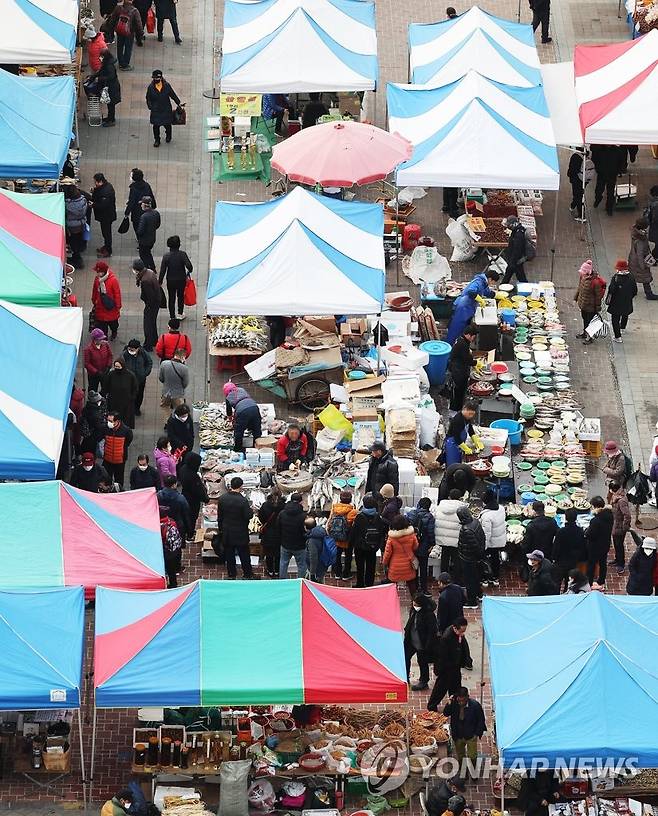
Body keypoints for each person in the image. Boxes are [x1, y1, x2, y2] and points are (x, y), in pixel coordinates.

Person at [446, 269, 499, 344]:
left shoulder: (483, 282)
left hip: (468, 308)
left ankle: (457, 344)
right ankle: (448, 347)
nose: (492, 284)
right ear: (490, 279)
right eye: (493, 282)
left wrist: (496, 295)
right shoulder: (478, 282)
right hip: (463, 307)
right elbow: (471, 292)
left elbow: (486, 291)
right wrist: (480, 299)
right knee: (455, 329)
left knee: (462, 329)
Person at [427, 616, 468, 711]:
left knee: (455, 688)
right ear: (455, 628)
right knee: (440, 689)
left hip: (455, 666)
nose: (462, 633)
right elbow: (442, 657)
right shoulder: (446, 638)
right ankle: (432, 706)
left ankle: (454, 705)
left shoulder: (458, 635)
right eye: (461, 631)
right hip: (447, 668)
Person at [444, 687, 486, 771]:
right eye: (459, 701)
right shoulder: (453, 703)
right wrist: (448, 703)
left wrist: (476, 734)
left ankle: (474, 771)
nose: (461, 703)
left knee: (472, 755)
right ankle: (463, 771)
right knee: (460, 755)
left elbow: (481, 721)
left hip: (470, 735)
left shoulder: (475, 706)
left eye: (463, 701)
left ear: (467, 697)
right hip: (458, 735)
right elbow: (446, 713)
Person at [349, 495, 387, 587]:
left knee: (360, 566)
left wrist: (351, 544)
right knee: (371, 566)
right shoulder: (378, 517)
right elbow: (381, 532)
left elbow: (354, 532)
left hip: (360, 546)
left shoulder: (359, 517)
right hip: (373, 546)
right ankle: (369, 584)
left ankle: (360, 583)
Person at [404, 593, 438, 691]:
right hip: (411, 640)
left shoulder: (429, 615)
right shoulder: (413, 610)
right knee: (406, 658)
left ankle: (424, 680)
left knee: (422, 662)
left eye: (417, 605)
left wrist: (427, 645)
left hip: (422, 643)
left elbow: (432, 632)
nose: (415, 606)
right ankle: (405, 677)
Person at [383, 514, 419, 596]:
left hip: (395, 566)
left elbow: (387, 553)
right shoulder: (411, 535)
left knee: (392, 587)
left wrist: (384, 562)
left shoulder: (391, 538)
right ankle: (415, 604)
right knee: (412, 585)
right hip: (409, 564)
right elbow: (415, 546)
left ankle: (392, 603)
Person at [456, 507, 485, 608]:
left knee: (469, 580)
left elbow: (474, 546)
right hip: (475, 557)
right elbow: (482, 538)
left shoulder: (466, 529)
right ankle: (479, 593)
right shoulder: (476, 522)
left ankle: (471, 601)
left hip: (468, 558)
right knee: (475, 577)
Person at [406, 497, 436, 594]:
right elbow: (431, 532)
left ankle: (414, 588)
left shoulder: (411, 514)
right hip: (424, 546)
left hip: (412, 545)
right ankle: (424, 588)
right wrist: (432, 544)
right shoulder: (429, 517)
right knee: (423, 568)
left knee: (414, 566)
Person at [159, 236, 193, 320]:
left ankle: (172, 316)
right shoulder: (182, 254)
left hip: (170, 280)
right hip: (181, 279)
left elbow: (163, 270)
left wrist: (160, 281)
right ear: (179, 245)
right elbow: (189, 266)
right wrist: (188, 271)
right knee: (180, 296)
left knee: (171, 297)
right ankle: (180, 313)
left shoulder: (166, 256)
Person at [553, 508, 587, 591]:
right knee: (570, 581)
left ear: (566, 518)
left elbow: (556, 547)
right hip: (573, 561)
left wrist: (554, 558)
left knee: (557, 582)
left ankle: (557, 595)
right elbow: (582, 546)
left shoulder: (561, 532)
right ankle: (566, 593)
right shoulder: (580, 531)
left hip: (561, 561)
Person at [327, 490, 358, 580]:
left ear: (340, 499)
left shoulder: (334, 508)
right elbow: (354, 525)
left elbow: (329, 522)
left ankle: (337, 573)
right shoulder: (353, 511)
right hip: (348, 539)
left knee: (337, 555)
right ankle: (346, 574)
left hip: (336, 538)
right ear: (350, 500)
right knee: (348, 556)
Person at [435, 490, 468, 576]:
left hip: (443, 538)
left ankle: (443, 577)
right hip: (456, 539)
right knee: (456, 558)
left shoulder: (440, 507)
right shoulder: (463, 508)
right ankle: (456, 578)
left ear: (449, 496)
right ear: (460, 498)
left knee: (444, 557)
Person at [146, 69, 181, 147]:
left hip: (166, 108)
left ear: (161, 78)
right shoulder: (150, 87)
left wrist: (178, 102)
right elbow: (148, 98)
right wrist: (150, 106)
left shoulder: (166, 85)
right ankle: (157, 140)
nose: (156, 80)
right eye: (154, 78)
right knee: (156, 126)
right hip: (156, 110)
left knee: (167, 124)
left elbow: (172, 94)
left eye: (157, 78)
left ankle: (168, 136)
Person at [105, 0, 143, 70]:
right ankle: (125, 65)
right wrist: (140, 33)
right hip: (130, 32)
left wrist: (111, 29)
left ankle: (120, 62)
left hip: (119, 31)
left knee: (120, 46)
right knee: (128, 48)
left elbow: (112, 20)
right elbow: (139, 23)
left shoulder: (118, 8)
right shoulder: (134, 11)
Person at [574, 259, 606, 343]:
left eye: (583, 271)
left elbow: (598, 296)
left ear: (588, 272)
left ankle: (589, 337)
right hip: (583, 304)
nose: (581, 273)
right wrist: (576, 298)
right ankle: (585, 333)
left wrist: (597, 308)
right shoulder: (582, 277)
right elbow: (579, 288)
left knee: (590, 321)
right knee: (584, 318)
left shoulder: (595, 282)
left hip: (591, 306)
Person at [606, 259, 638, 343]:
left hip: (616, 303)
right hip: (627, 301)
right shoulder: (631, 277)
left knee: (615, 320)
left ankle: (618, 336)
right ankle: (623, 328)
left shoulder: (616, 278)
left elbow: (611, 290)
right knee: (625, 314)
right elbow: (635, 290)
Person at [224, 382, 262, 452]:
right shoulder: (241, 389)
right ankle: (257, 447)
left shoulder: (228, 397)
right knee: (256, 429)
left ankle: (238, 449)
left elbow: (229, 411)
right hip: (254, 407)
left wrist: (231, 419)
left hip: (242, 411)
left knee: (239, 431)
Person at [585, 496, 614, 587]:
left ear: (595, 507)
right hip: (605, 544)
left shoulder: (595, 521)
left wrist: (586, 531)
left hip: (595, 547)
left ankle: (589, 582)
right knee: (603, 563)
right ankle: (601, 580)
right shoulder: (610, 515)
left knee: (591, 565)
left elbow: (590, 535)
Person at [179, 452, 209, 541]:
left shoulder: (183, 468)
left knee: (186, 515)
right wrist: (206, 499)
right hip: (192, 499)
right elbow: (198, 491)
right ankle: (190, 534)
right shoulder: (192, 476)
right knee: (192, 517)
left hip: (185, 495)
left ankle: (187, 531)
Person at [133, 260, 161, 352]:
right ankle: (154, 340)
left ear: (137, 270)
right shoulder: (149, 272)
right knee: (152, 322)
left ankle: (148, 344)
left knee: (148, 324)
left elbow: (150, 296)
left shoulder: (145, 281)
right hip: (156, 301)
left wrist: (148, 306)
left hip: (151, 304)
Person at [447, 325, 477, 413]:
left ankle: (457, 408)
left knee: (459, 391)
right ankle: (455, 411)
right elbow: (467, 360)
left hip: (457, 368)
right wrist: (476, 363)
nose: (473, 339)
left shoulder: (461, 339)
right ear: (468, 335)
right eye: (473, 337)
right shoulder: (462, 344)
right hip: (458, 371)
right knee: (458, 392)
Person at [278, 493, 308, 578]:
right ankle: (300, 582)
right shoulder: (303, 516)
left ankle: (283, 580)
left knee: (283, 563)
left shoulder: (282, 513)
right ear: (301, 502)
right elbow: (305, 531)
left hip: (285, 543)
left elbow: (278, 527)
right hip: (300, 545)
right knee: (302, 565)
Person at [480, 490, 506, 586]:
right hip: (499, 540)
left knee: (486, 560)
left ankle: (486, 578)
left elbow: (487, 534)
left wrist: (484, 547)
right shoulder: (502, 509)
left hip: (491, 542)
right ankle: (495, 578)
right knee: (495, 559)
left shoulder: (486, 516)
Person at [628, 216, 658, 300]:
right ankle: (649, 294)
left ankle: (633, 290)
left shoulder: (636, 232)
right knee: (645, 276)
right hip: (639, 261)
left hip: (632, 258)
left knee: (633, 275)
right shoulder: (640, 240)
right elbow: (640, 254)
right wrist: (643, 266)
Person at [122, 339, 153, 418]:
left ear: (138, 348)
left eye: (132, 350)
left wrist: (145, 373)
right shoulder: (125, 354)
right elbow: (120, 363)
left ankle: (137, 408)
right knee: (129, 395)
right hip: (128, 380)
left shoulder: (143, 354)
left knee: (139, 395)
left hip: (140, 379)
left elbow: (149, 362)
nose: (131, 351)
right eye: (129, 349)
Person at [91, 261, 122, 340]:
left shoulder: (113, 280)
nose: (97, 274)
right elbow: (94, 290)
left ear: (104, 272)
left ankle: (114, 332)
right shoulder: (97, 279)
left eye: (99, 272)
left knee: (113, 324)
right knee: (102, 326)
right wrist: (94, 300)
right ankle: (105, 339)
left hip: (111, 307)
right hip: (100, 307)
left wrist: (118, 305)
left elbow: (117, 293)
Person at [444, 401, 481, 467]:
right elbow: (456, 437)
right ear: (465, 409)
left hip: (459, 445)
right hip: (452, 444)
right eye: (470, 414)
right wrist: (466, 448)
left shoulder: (467, 418)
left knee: (458, 463)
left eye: (473, 414)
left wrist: (476, 441)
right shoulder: (458, 420)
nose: (471, 416)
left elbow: (470, 429)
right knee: (452, 465)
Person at [104, 357, 138, 428]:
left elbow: (135, 388)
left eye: (118, 367)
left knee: (125, 419)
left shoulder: (130, 375)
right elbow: (106, 386)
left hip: (126, 402)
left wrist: (132, 397)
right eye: (115, 366)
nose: (117, 368)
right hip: (114, 402)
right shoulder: (111, 374)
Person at [102, 411, 133, 487]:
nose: (108, 423)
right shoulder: (105, 428)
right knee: (106, 479)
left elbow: (128, 441)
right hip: (107, 459)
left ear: (117, 421)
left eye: (110, 421)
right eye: (108, 420)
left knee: (119, 480)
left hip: (120, 460)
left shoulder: (126, 430)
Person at [258, 492, 285, 577]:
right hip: (280, 533)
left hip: (268, 532)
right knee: (278, 553)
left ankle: (270, 570)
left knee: (269, 553)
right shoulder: (284, 506)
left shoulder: (265, 505)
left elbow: (261, 517)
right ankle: (277, 570)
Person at [91, 173, 117, 258]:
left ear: (100, 181)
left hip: (106, 216)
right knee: (105, 232)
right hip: (104, 215)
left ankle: (108, 250)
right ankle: (106, 246)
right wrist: (94, 191)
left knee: (107, 233)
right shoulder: (105, 187)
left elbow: (103, 205)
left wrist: (93, 204)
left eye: (95, 182)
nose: (95, 183)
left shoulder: (106, 191)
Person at [125, 168, 157, 237]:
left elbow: (132, 202)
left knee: (137, 226)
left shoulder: (133, 188)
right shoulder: (146, 185)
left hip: (136, 212)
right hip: (146, 210)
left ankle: (140, 240)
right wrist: (154, 205)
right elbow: (151, 196)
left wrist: (127, 213)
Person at [157, 474, 191, 539]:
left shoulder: (158, 496)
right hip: (177, 526)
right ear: (174, 485)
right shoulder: (180, 498)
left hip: (162, 526)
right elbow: (186, 514)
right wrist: (189, 530)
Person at [592, 144, 622, 216]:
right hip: (602, 174)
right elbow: (594, 160)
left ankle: (609, 208)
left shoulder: (617, 151)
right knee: (598, 190)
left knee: (610, 193)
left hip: (612, 174)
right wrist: (598, 169)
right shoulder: (599, 150)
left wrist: (618, 171)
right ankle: (598, 199)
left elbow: (620, 162)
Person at [64, 185, 89, 268]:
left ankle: (77, 261)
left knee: (73, 243)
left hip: (72, 227)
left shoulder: (68, 205)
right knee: (77, 241)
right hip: (81, 224)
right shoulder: (83, 200)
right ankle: (76, 257)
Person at [609, 479, 631, 574]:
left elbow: (627, 515)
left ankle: (621, 564)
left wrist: (624, 527)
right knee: (616, 545)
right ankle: (617, 559)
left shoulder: (621, 501)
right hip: (615, 524)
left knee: (619, 545)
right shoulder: (616, 496)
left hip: (619, 527)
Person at [95, 49, 122, 126]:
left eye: (102, 56)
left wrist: (100, 78)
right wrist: (94, 76)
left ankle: (111, 120)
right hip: (111, 86)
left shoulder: (109, 66)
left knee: (111, 104)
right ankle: (110, 118)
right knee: (109, 103)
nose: (100, 58)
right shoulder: (107, 63)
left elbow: (111, 76)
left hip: (112, 87)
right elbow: (101, 71)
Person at [159, 504, 183, 587]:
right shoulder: (171, 522)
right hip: (174, 551)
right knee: (171, 571)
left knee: (165, 569)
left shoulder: (159, 526)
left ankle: (164, 584)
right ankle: (173, 584)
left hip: (166, 552)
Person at [567, 147, 593, 220]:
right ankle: (572, 206)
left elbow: (572, 169)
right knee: (579, 193)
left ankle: (581, 215)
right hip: (584, 179)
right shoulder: (586, 155)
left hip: (577, 179)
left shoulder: (576, 157)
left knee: (578, 195)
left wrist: (569, 174)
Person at [84, 328, 113, 393]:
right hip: (93, 375)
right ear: (95, 339)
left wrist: (108, 366)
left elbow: (110, 355)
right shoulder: (88, 349)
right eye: (100, 339)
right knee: (93, 389)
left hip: (105, 372)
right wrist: (96, 372)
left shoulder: (106, 345)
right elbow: (87, 363)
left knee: (105, 388)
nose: (102, 340)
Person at [136, 196, 161, 271]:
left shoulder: (144, 217)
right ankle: (153, 268)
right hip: (152, 239)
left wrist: (139, 234)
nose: (141, 205)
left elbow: (140, 231)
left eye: (142, 204)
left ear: (145, 205)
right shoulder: (156, 213)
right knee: (148, 254)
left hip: (144, 241)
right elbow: (158, 224)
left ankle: (147, 270)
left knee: (144, 256)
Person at [502, 215, 528, 285]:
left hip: (516, 260)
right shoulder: (517, 230)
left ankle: (502, 287)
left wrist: (513, 261)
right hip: (515, 259)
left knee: (518, 275)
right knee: (515, 274)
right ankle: (503, 286)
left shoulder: (519, 234)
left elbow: (517, 250)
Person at [80, 390, 107, 455]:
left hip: (89, 435)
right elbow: (99, 425)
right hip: (93, 436)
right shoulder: (94, 413)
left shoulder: (87, 408)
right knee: (92, 451)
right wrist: (107, 424)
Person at [305, 516, 329, 582]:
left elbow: (313, 557)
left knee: (317, 585)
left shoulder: (312, 540)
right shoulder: (320, 533)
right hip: (322, 565)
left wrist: (312, 574)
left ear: (306, 528)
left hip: (316, 569)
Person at [648, 185, 658, 262]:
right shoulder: (654, 204)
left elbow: (647, 216)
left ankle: (653, 259)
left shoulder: (653, 203)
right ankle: (653, 259)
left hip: (655, 227)